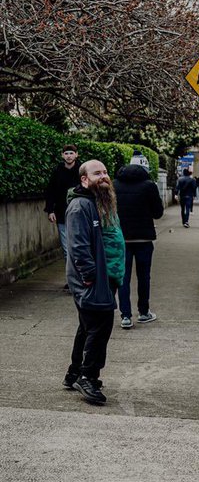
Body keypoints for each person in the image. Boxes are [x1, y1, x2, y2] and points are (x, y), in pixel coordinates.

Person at [63, 159, 126, 405]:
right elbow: (78, 247)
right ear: (84, 179)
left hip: (104, 276)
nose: (103, 176)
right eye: (96, 173)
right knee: (100, 328)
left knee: (88, 326)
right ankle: (88, 377)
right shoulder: (80, 206)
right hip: (92, 279)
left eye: (105, 172)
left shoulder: (99, 200)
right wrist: (90, 277)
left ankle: (74, 372)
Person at [114, 155, 164, 329]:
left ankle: (125, 316)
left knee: (123, 278)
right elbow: (158, 213)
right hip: (144, 238)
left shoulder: (115, 184)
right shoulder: (149, 185)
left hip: (121, 238)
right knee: (143, 277)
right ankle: (143, 312)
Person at [44, 144, 80, 283]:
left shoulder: (81, 170)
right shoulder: (57, 171)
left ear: (76, 155)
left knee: (79, 247)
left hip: (79, 215)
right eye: (66, 153)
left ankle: (82, 277)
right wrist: (50, 210)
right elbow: (50, 191)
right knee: (67, 249)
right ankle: (72, 280)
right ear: (62, 155)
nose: (69, 156)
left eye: (71, 153)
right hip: (61, 214)